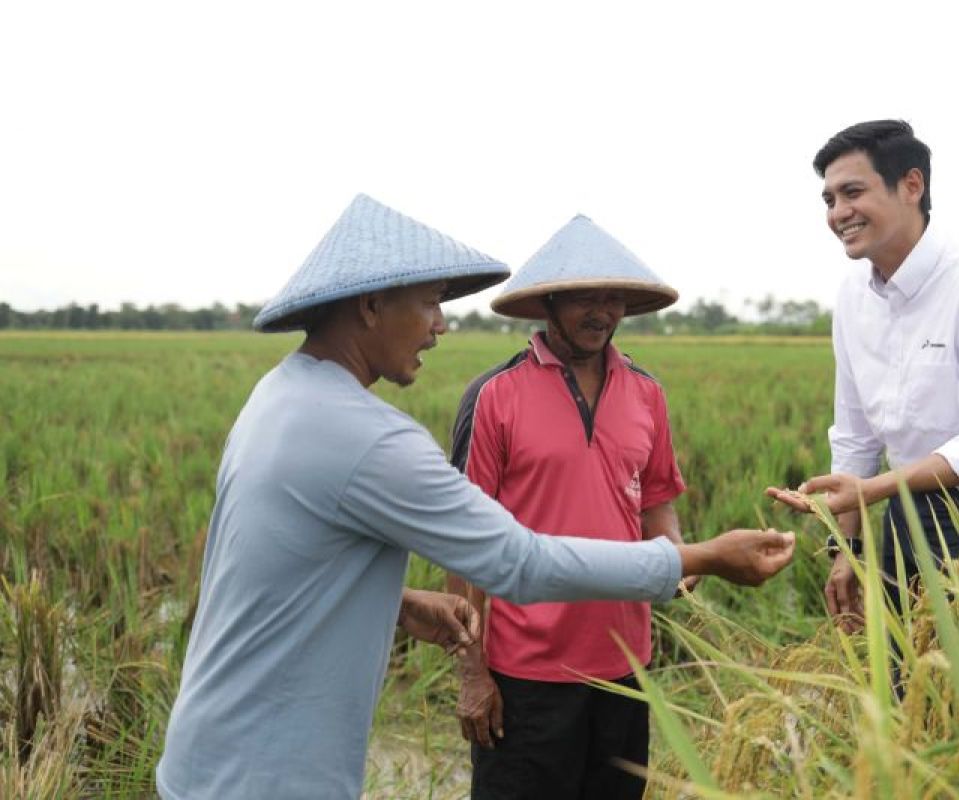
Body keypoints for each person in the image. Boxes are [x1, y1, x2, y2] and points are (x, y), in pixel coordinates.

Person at [156, 194, 796, 800]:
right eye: (430, 303)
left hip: (213, 756)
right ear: (372, 307)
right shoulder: (375, 436)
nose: (439, 325)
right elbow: (519, 563)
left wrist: (399, 605)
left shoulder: (278, 397)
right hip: (272, 774)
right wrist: (703, 558)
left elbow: (265, 560)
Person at [767, 120, 959, 632]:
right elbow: (855, 438)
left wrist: (871, 489)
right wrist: (848, 549)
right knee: (905, 671)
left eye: (852, 192)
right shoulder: (854, 298)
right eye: (829, 199)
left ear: (912, 186)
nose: (838, 214)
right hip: (903, 500)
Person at [446, 215, 691, 799]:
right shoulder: (495, 395)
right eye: (586, 296)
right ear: (549, 302)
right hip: (524, 676)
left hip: (623, 668)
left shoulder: (646, 392)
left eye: (614, 298)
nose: (602, 311)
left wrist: (683, 562)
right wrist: (472, 673)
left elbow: (656, 504)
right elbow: (461, 541)